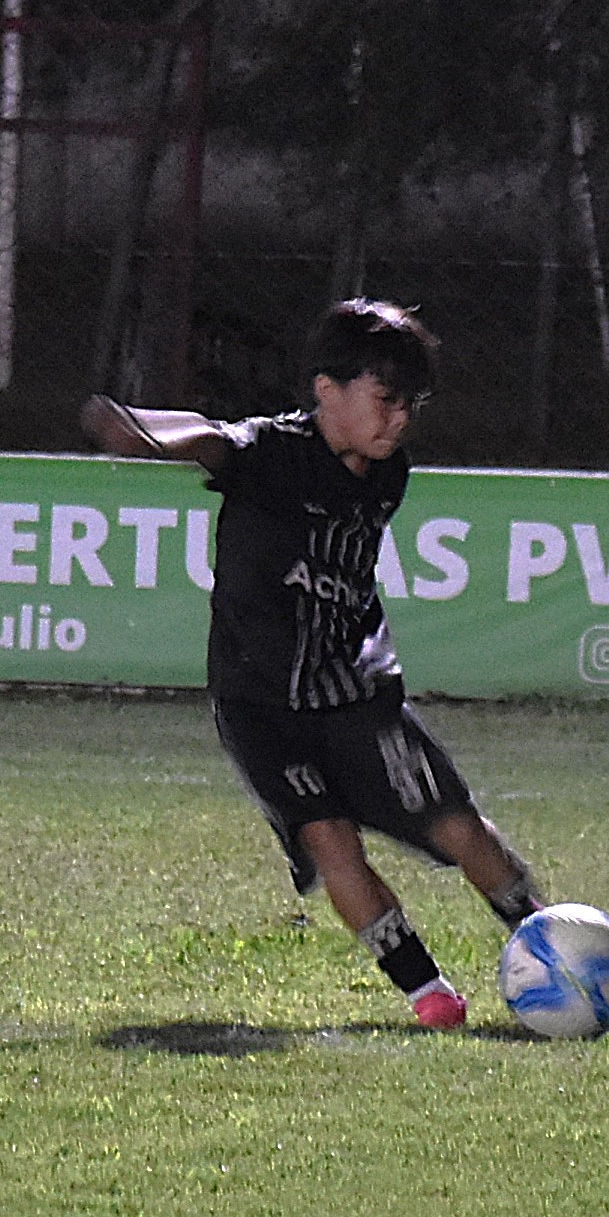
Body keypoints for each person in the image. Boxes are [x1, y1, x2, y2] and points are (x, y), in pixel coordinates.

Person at [82, 300, 551, 1032]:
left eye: (410, 405)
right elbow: (212, 440)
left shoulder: (387, 473)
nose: (398, 419)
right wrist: (144, 432)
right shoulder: (272, 452)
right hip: (259, 702)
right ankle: (428, 994)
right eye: (385, 399)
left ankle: (553, 944)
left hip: (355, 688)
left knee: (458, 827)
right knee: (329, 838)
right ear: (326, 389)